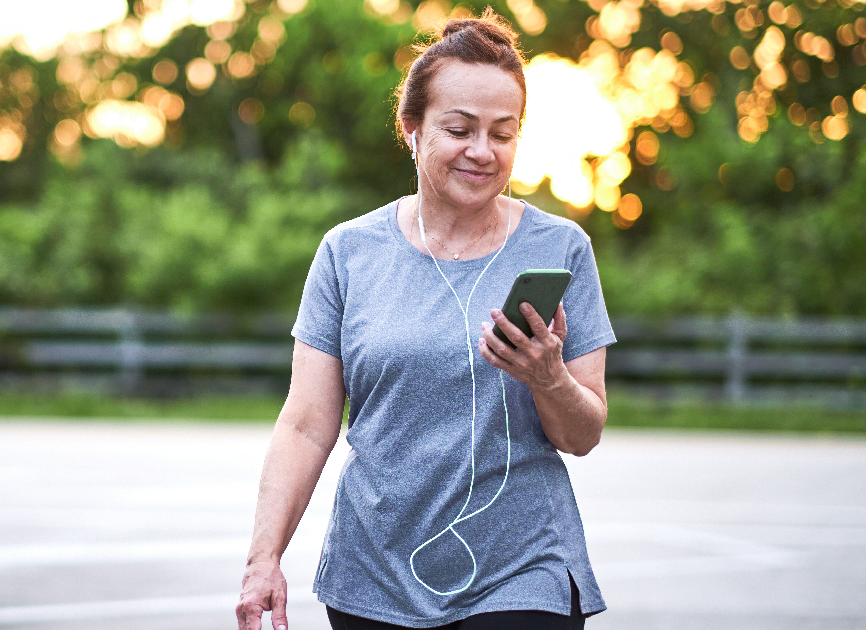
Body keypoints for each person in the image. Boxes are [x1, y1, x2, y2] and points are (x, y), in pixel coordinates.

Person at [236, 9, 616, 630]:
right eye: (460, 129)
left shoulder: (560, 248)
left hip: (522, 567)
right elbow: (306, 425)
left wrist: (548, 377)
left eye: (503, 133)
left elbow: (583, 434)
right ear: (411, 129)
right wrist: (263, 559)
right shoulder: (347, 253)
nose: (482, 152)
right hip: (375, 573)